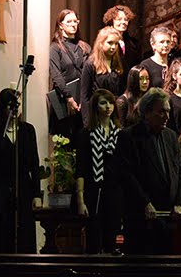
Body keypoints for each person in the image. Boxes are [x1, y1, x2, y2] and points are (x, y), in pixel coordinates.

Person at [114, 88, 181, 254]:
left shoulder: (171, 136)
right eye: (161, 112)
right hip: (141, 217)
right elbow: (126, 174)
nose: (167, 117)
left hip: (168, 216)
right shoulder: (128, 136)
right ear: (147, 112)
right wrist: (144, 202)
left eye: (168, 111)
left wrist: (179, 203)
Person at [0, 88, 42, 253]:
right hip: (0, 190)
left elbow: (35, 164)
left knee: (23, 235)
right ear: (2, 109)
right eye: (9, 106)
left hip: (23, 189)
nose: (14, 111)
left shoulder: (28, 130)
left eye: (16, 106)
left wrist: (36, 194)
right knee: (0, 237)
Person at [75, 88, 121, 253]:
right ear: (95, 107)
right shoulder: (85, 134)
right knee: (94, 240)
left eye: (110, 103)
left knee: (112, 239)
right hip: (94, 190)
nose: (108, 106)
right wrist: (81, 201)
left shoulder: (120, 134)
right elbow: (80, 168)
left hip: (114, 190)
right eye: (103, 103)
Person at [50, 9, 89, 138]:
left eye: (75, 21)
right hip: (64, 100)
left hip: (83, 99)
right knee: (64, 141)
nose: (73, 24)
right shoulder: (55, 48)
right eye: (69, 22)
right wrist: (69, 98)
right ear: (60, 25)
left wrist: (84, 97)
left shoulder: (84, 46)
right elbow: (56, 75)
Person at [80, 26, 126, 125]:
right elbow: (85, 96)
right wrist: (87, 122)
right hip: (97, 114)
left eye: (116, 43)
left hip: (115, 115)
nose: (113, 47)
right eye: (110, 43)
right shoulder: (90, 64)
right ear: (101, 43)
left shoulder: (120, 62)